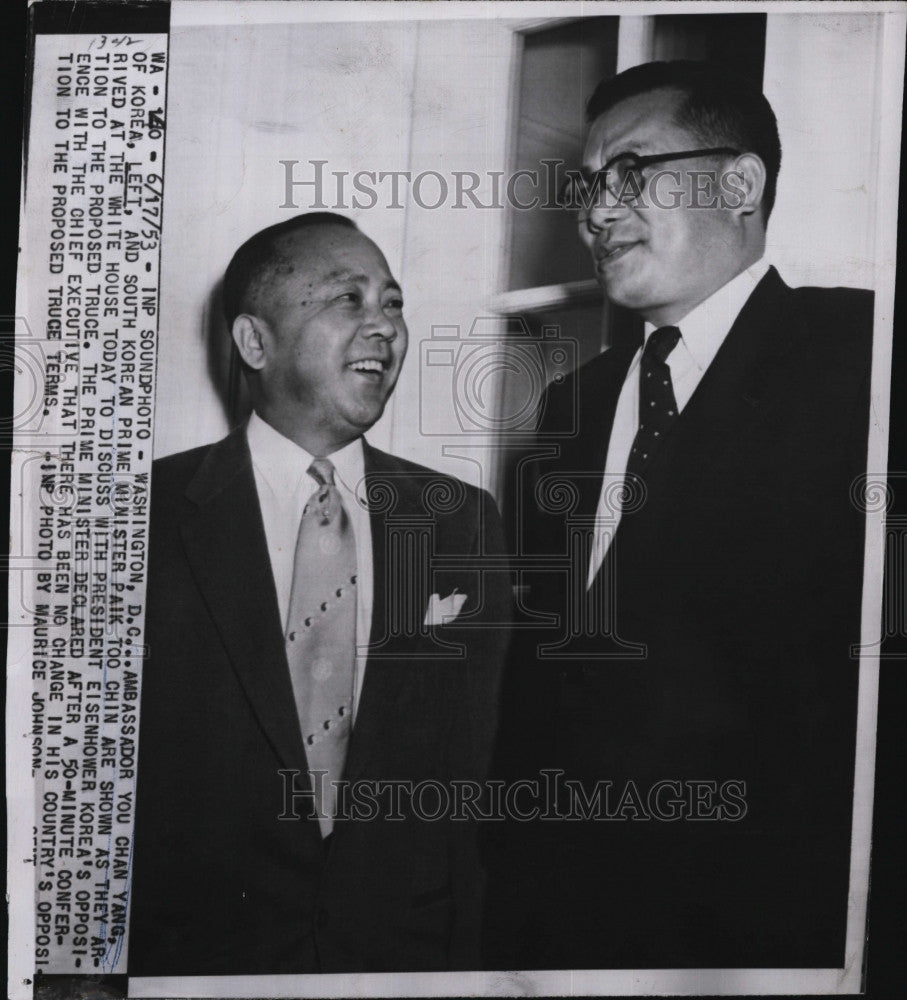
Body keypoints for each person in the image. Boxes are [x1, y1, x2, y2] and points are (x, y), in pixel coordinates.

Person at [485, 60, 872, 970]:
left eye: (632, 173)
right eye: (588, 187)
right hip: (563, 919)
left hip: (770, 925)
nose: (595, 212)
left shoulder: (861, 357)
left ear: (739, 183)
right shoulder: (568, 406)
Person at [129, 213, 511, 975]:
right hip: (198, 960)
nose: (384, 328)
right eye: (348, 299)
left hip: (402, 961)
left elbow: (475, 782)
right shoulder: (142, 517)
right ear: (254, 342)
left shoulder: (461, 521)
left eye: (393, 304)